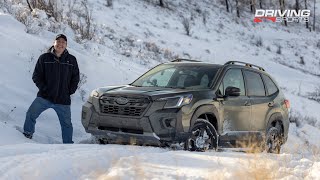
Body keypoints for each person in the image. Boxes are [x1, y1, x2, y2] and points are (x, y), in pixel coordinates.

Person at [23, 34, 80, 144]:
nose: (60, 44)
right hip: (45, 97)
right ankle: (27, 136)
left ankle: (68, 145)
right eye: (58, 41)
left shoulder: (71, 60)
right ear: (54, 43)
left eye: (63, 42)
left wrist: (69, 91)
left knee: (67, 124)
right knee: (31, 114)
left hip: (63, 100)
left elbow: (75, 78)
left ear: (66, 45)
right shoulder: (44, 58)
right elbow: (36, 76)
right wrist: (44, 89)